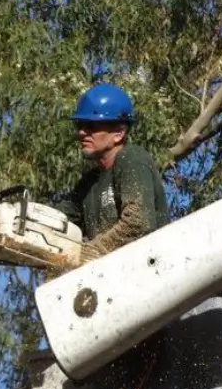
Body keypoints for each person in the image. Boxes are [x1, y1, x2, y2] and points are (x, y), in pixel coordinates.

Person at [57, 83, 169, 263]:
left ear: (118, 133)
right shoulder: (88, 183)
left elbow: (138, 223)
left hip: (144, 273)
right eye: (79, 125)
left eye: (91, 125)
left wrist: (88, 254)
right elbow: (57, 221)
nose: (81, 132)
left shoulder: (131, 159)